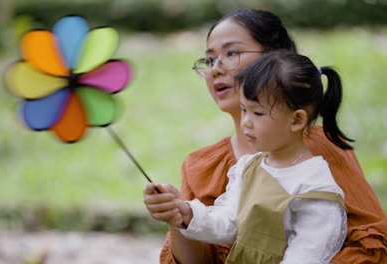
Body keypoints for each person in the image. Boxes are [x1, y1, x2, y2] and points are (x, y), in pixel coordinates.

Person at [143, 9, 387, 264]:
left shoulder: (320, 149)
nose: (215, 69)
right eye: (210, 60)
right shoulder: (202, 165)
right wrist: (178, 214)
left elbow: (370, 245)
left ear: (276, 59)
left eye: (231, 53)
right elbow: (208, 245)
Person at [170, 50, 350, 263]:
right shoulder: (248, 167)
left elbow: (305, 257)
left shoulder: (315, 190)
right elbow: (228, 223)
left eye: (258, 113)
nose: (246, 121)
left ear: (296, 120)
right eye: (244, 109)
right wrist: (187, 213)